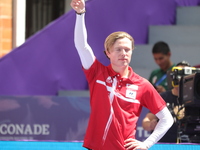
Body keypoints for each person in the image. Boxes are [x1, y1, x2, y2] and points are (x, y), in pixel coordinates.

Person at [70, 0, 173, 149]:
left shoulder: (142, 85)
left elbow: (167, 119)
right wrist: (80, 14)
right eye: (118, 49)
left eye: (127, 50)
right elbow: (81, 46)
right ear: (108, 53)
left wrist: (147, 144)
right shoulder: (96, 72)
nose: (123, 53)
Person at [142, 61, 191, 143]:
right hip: (164, 144)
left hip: (190, 144)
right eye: (178, 75)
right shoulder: (163, 97)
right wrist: (150, 124)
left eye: (185, 75)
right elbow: (146, 121)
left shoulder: (196, 99)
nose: (181, 79)